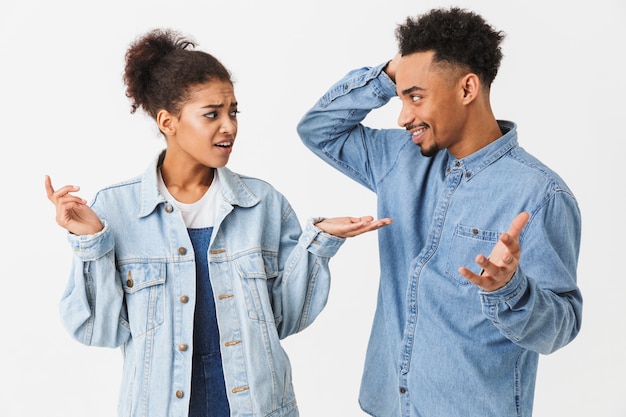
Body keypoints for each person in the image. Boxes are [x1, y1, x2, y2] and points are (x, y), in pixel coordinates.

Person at [45, 28, 391, 417]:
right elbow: (97, 330)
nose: (229, 126)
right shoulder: (116, 208)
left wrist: (319, 243)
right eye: (211, 114)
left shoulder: (262, 204)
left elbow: (284, 320)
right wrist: (92, 242)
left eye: (233, 112)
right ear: (167, 121)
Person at [297, 7, 582, 417]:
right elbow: (318, 129)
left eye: (415, 96)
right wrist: (390, 74)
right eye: (400, 96)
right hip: (385, 405)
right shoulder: (399, 158)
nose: (402, 116)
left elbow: (558, 331)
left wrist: (509, 289)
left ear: (467, 89)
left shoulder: (539, 194)